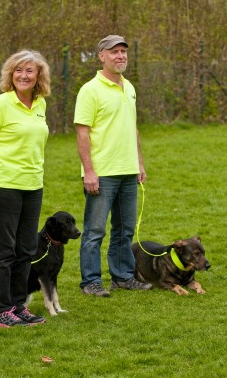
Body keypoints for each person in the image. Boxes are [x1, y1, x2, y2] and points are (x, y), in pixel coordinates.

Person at [0, 49, 51, 327]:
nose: (23, 75)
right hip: (3, 186)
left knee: (26, 248)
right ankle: (1, 310)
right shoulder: (0, 104)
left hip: (33, 186)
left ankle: (19, 306)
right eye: (18, 70)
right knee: (5, 249)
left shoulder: (40, 104)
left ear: (39, 75)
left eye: (30, 70)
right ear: (10, 74)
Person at [74, 35, 153, 297]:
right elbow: (82, 133)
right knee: (95, 231)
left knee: (125, 229)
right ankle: (90, 282)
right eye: (114, 52)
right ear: (101, 56)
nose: (120, 56)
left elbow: (132, 128)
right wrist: (89, 171)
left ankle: (122, 276)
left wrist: (139, 162)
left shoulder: (129, 87)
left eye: (123, 52)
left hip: (128, 171)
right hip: (103, 173)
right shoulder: (90, 90)